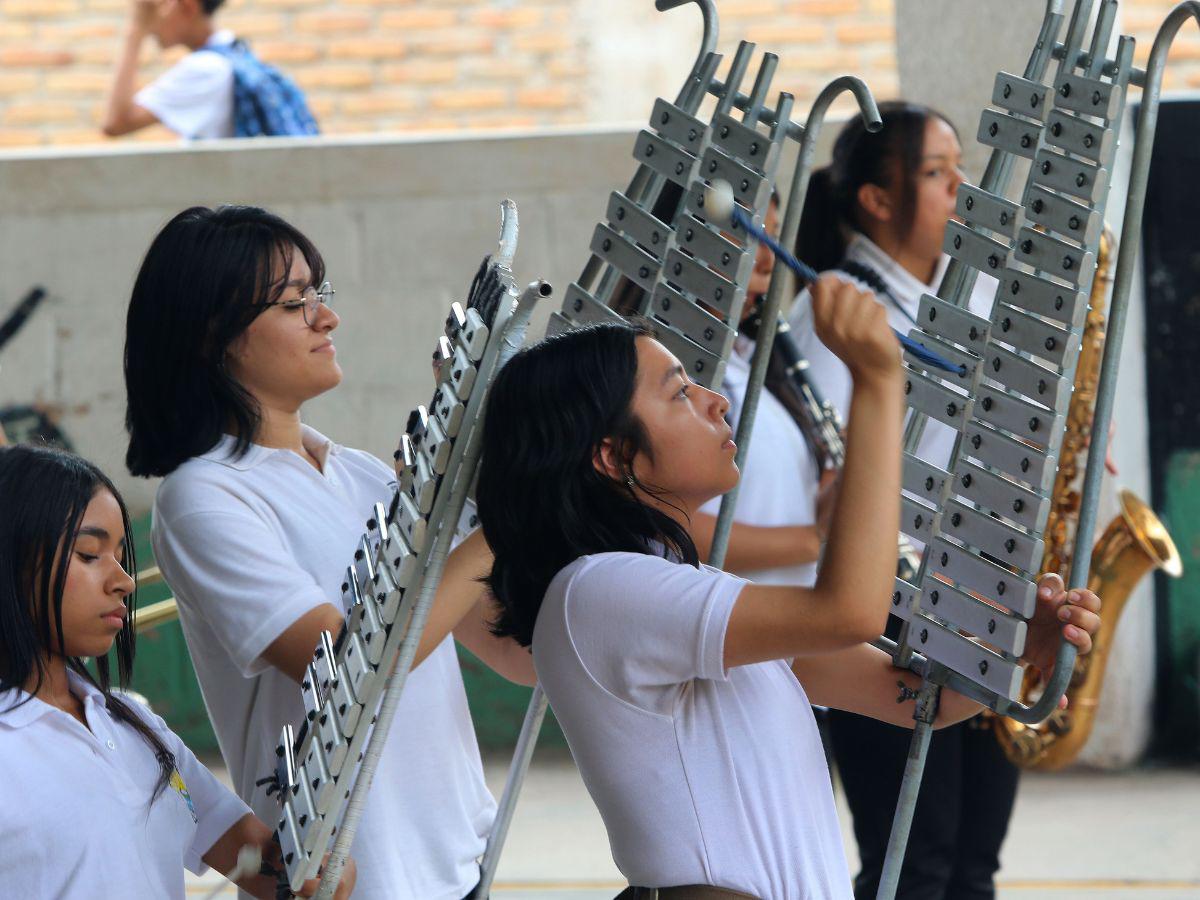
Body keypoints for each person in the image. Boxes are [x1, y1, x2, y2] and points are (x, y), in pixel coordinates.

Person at [474, 304, 1101, 898]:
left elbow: (916, 701)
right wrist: (878, 381)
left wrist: (1018, 647)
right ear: (615, 456)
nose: (716, 401)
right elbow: (850, 611)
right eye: (680, 393)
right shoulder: (597, 590)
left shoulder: (667, 587)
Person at [124, 205, 530, 899]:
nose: (326, 318)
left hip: (460, 869)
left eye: (321, 294)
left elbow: (514, 655)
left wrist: (523, 476)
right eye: (294, 304)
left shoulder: (366, 475)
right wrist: (502, 525)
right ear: (213, 337)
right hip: (351, 882)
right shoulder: (204, 495)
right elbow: (347, 666)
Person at [788, 100, 1029, 899]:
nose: (962, 188)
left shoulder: (968, 296)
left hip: (978, 593)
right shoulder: (837, 309)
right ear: (876, 199)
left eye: (961, 170)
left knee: (973, 864)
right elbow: (830, 477)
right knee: (912, 865)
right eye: (936, 173)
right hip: (888, 605)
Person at [0, 444, 355, 899]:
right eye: (89, 554)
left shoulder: (132, 723)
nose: (124, 580)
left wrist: (311, 868)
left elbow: (253, 857)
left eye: (120, 556)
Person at [691, 194, 827, 586]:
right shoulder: (670, 372)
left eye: (773, 236)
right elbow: (665, 525)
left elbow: (777, 501)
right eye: (747, 234)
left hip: (792, 614)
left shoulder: (752, 360)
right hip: (725, 618)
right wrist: (817, 540)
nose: (768, 260)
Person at [103, 0, 318, 140]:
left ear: (188, 6)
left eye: (155, 7)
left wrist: (136, 29)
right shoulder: (234, 52)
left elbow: (115, 122)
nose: (151, 21)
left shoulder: (205, 69)